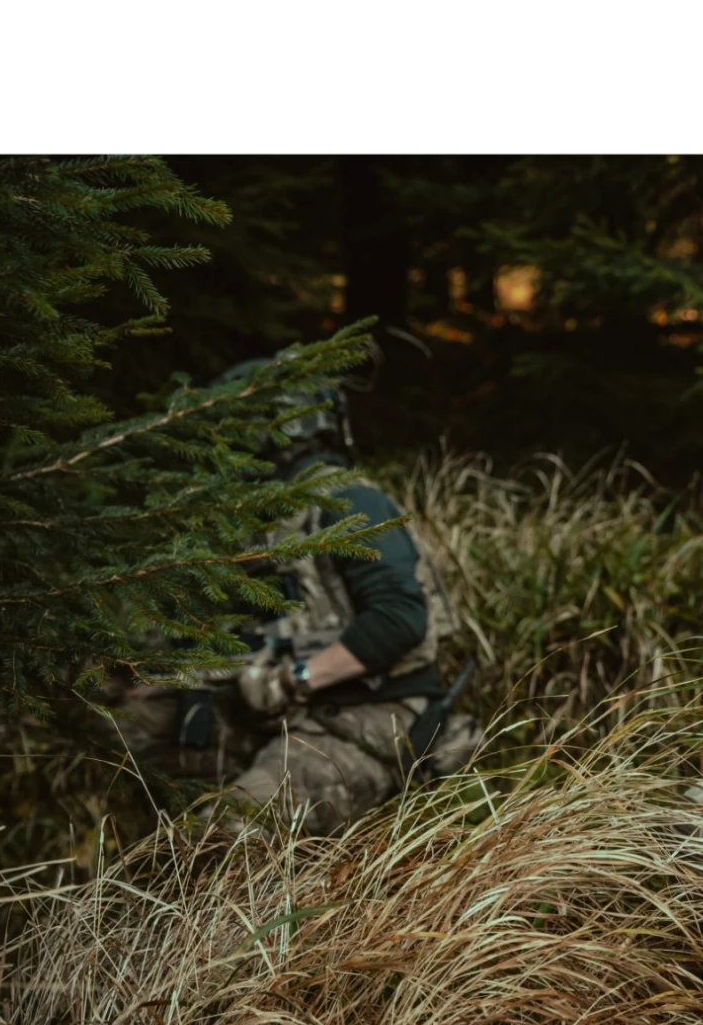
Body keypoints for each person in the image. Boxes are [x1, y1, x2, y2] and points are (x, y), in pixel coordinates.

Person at [110, 356, 476, 835]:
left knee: (225, 836)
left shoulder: (350, 502)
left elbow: (400, 621)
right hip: (279, 713)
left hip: (371, 717)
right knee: (127, 730)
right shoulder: (264, 523)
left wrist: (294, 680)